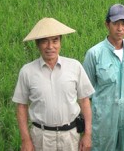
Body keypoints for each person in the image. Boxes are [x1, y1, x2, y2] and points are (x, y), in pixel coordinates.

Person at [13, 18, 94, 151]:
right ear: (37, 44)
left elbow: (84, 101)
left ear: (60, 42)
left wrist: (88, 134)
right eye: (45, 41)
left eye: (55, 40)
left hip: (70, 137)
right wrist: (25, 139)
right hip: (41, 138)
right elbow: (21, 106)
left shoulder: (74, 67)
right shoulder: (27, 71)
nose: (50, 46)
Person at [83, 4, 124, 150]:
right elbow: (85, 92)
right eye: (116, 23)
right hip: (105, 117)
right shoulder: (94, 53)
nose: (120, 28)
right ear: (107, 24)